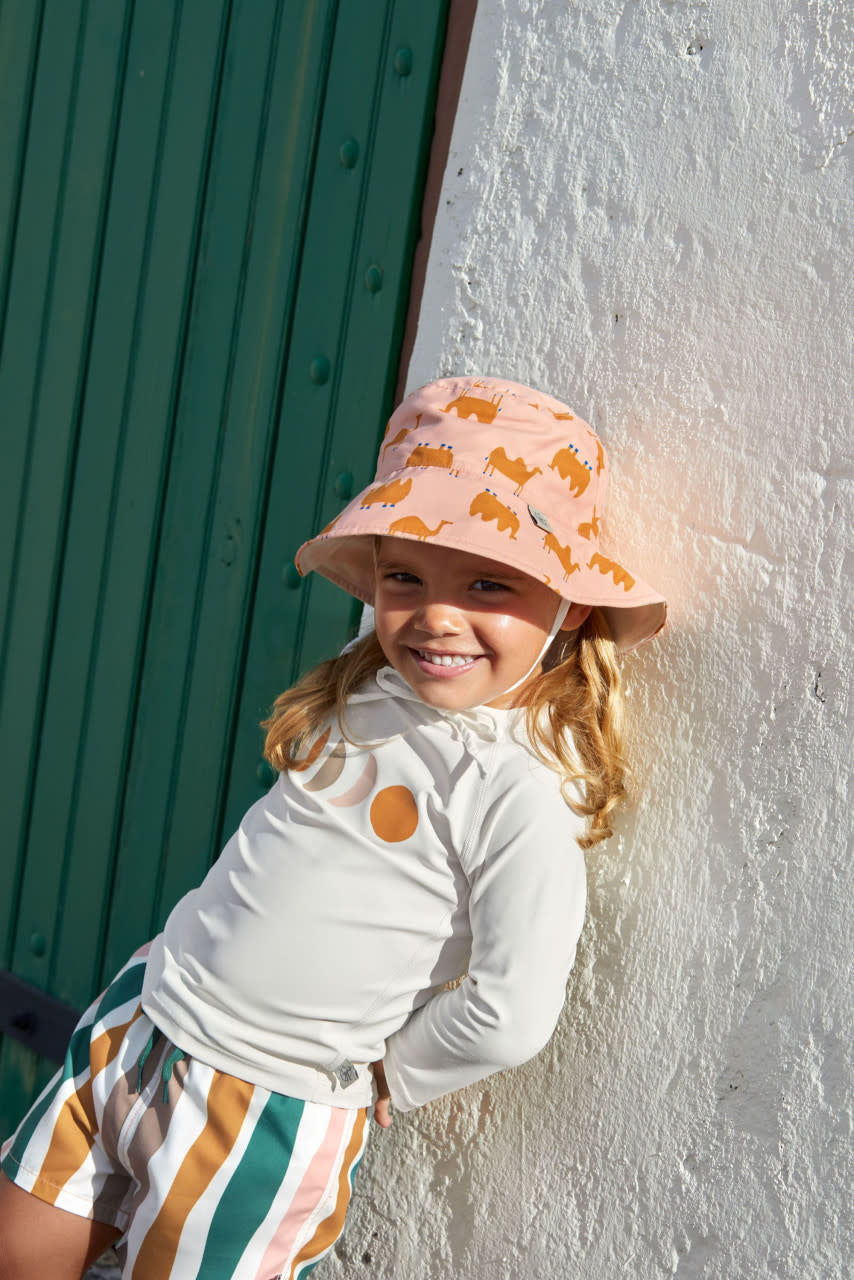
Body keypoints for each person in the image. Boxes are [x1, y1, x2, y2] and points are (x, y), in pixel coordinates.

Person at [0, 376, 666, 1279]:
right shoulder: (366, 690)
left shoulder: (515, 790)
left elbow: (511, 1011)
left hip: (265, 1105)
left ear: (570, 604)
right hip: (144, 1019)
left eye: (488, 583)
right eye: (404, 577)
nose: (436, 615)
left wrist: (393, 1073)